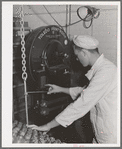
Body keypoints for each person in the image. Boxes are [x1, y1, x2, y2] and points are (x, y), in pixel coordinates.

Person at [27, 35, 117, 144]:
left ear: (84, 52)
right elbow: (85, 91)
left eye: (77, 55)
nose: (76, 59)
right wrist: (60, 89)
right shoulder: (101, 69)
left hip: (111, 136)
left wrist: (47, 126)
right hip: (101, 133)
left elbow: (83, 102)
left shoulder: (106, 72)